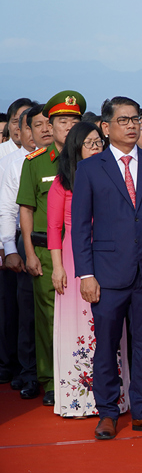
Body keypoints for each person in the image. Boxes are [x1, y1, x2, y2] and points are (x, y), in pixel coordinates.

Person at [72, 96, 142, 440]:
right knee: (106, 346)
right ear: (106, 127)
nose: (132, 126)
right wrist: (86, 274)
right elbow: (80, 227)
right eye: (124, 120)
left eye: (136, 119)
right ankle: (107, 412)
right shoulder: (91, 167)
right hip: (106, 273)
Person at [48, 121, 131, 417]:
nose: (96, 148)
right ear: (76, 148)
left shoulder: (114, 178)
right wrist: (58, 268)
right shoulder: (62, 184)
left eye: (99, 143)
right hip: (75, 262)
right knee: (79, 328)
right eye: (90, 144)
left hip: (109, 261)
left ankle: (114, 398)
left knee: (108, 329)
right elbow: (54, 229)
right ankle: (78, 399)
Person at [17, 91, 84, 406]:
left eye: (74, 120)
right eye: (61, 121)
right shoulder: (36, 162)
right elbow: (26, 209)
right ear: (51, 126)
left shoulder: (93, 159)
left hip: (85, 251)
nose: (68, 126)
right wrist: (29, 252)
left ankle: (84, 374)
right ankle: (51, 378)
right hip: (46, 251)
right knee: (48, 318)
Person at [0, 98, 39, 392]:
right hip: (23, 241)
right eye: (34, 125)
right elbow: (8, 210)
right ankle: (27, 371)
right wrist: (10, 249)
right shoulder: (13, 164)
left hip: (59, 244)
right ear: (23, 131)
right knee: (24, 311)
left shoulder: (60, 160)